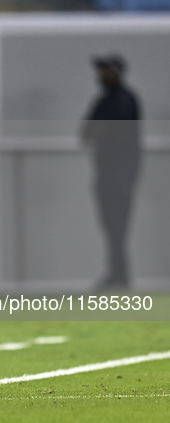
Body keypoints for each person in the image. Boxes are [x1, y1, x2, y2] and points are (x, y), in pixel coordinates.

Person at [81, 54, 141, 291]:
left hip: (122, 175)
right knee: (110, 226)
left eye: (106, 71)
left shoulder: (126, 101)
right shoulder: (103, 101)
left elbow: (116, 133)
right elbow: (87, 133)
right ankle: (117, 273)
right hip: (104, 172)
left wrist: (103, 131)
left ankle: (120, 274)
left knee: (118, 227)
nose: (101, 76)